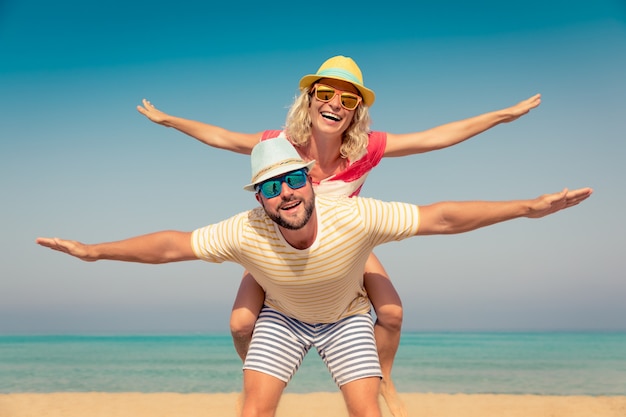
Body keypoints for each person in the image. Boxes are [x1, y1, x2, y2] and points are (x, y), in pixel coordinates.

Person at [37, 137, 592, 417]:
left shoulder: (353, 215)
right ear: (260, 198)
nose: (287, 193)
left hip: (346, 318)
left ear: (309, 178)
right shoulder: (246, 229)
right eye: (272, 187)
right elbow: (170, 247)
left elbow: (440, 217)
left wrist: (525, 208)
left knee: (365, 410)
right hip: (283, 318)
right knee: (254, 408)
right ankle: (263, 365)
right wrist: (93, 251)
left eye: (294, 180)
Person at [137, 55, 542, 416]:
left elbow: (436, 137)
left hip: (345, 243)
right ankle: (252, 377)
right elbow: (221, 137)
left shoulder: (366, 148)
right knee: (241, 323)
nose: (335, 104)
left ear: (356, 112)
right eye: (326, 93)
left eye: (349, 100)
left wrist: (501, 117)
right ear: (309, 98)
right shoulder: (279, 147)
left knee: (393, 313)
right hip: (282, 243)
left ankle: (383, 378)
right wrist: (169, 120)